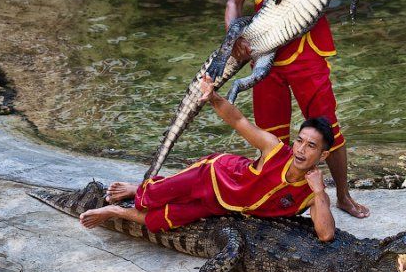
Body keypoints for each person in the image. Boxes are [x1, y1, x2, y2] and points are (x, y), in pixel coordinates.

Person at [224, 0, 369, 219]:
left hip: (309, 55)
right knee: (271, 134)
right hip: (268, 60)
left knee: (328, 129)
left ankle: (343, 195)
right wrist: (233, 37)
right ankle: (280, 197)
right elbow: (234, 1)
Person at [79, 75, 336, 242]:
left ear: (322, 155)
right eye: (299, 140)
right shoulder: (275, 149)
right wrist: (214, 97)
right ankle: (137, 189)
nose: (300, 149)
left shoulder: (312, 192)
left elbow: (325, 234)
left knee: (162, 221)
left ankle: (114, 211)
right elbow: (239, 120)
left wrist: (320, 192)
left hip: (222, 205)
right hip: (213, 175)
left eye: (310, 146)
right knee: (149, 198)